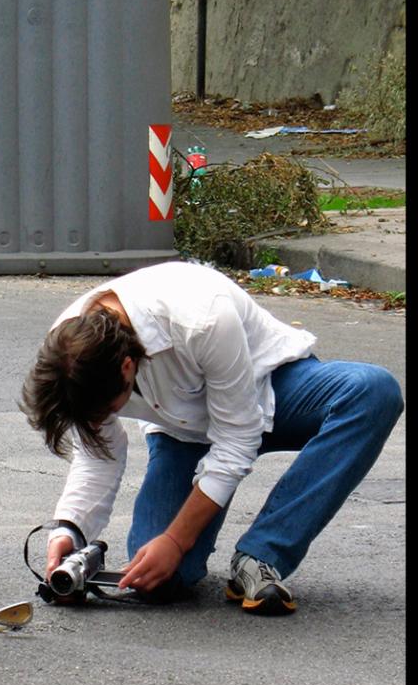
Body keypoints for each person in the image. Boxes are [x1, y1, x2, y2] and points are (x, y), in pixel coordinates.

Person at [20, 261, 403, 615]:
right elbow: (97, 453)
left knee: (373, 392)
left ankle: (262, 554)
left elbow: (237, 438)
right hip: (184, 431)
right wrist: (71, 528)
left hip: (270, 388)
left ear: (126, 366)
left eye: (107, 408)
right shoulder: (69, 355)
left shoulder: (200, 316)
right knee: (158, 580)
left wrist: (177, 540)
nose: (102, 418)